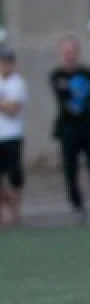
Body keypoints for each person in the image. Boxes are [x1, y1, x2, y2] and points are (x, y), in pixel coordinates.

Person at [49, 36, 90, 222]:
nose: (70, 56)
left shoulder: (87, 72)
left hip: (89, 128)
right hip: (68, 129)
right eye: (66, 52)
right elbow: (62, 94)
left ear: (78, 53)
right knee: (70, 170)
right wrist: (79, 91)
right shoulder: (56, 75)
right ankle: (77, 206)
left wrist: (77, 91)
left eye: (73, 52)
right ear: (61, 54)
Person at [0, 47, 26, 227]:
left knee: (14, 175)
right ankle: (5, 208)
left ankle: (15, 210)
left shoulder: (18, 83)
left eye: (8, 61)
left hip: (12, 135)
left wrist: (4, 105)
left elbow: (14, 109)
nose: (5, 65)